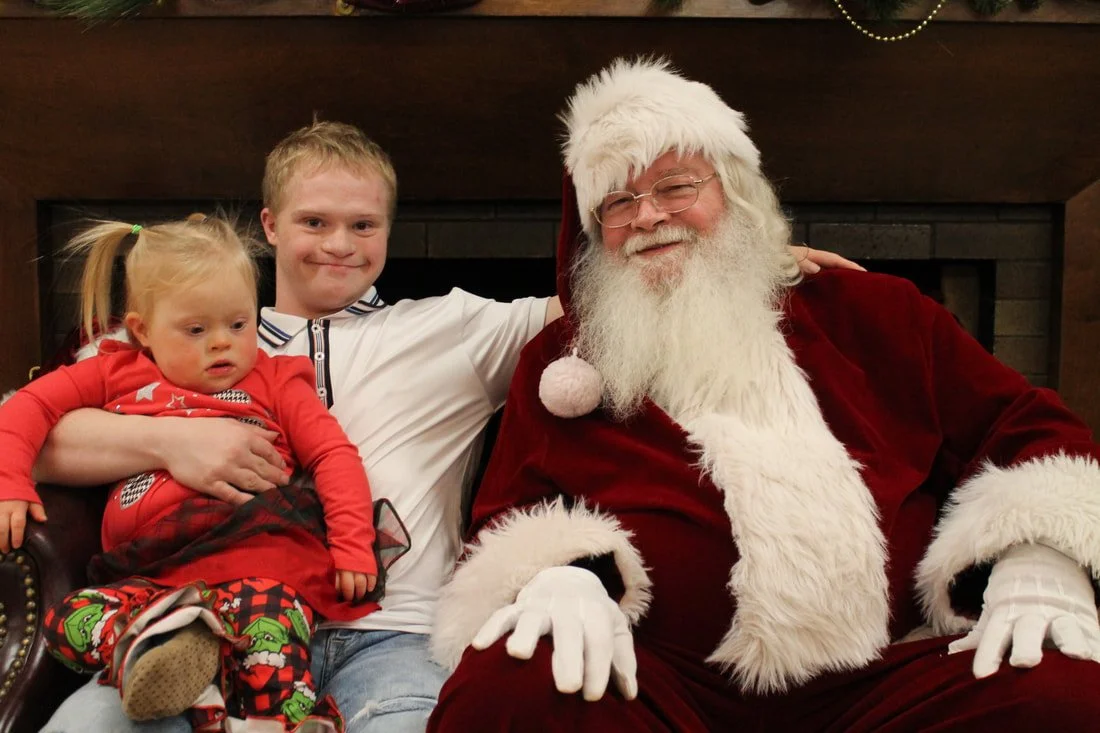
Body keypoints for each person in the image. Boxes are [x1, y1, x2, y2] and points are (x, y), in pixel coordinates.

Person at [30, 121, 856, 733]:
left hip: (390, 634)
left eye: (364, 226)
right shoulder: (181, 337)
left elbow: (622, 295)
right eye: (315, 222)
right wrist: (172, 439)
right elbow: (27, 430)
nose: (340, 246)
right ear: (271, 225)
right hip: (193, 626)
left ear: (390, 230)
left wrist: (761, 261)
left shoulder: (457, 329)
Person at [426, 58, 1100, 733]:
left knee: (1064, 693)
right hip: (656, 686)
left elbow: (1026, 424)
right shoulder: (561, 362)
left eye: (676, 185)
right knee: (505, 688)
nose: (650, 215)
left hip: (884, 684)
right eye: (619, 202)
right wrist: (561, 575)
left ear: (736, 191)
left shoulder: (879, 313)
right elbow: (504, 519)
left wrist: (1038, 553)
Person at [0, 214, 385, 730]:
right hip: (155, 577)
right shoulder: (116, 372)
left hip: (258, 560)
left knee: (268, 644)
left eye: (238, 324)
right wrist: (10, 482)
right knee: (69, 620)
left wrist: (354, 544)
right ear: (143, 330)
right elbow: (26, 408)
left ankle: (284, 719)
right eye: (197, 330)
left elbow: (333, 455)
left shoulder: (274, 380)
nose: (222, 343)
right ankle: (176, 647)